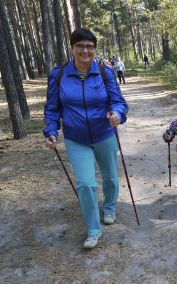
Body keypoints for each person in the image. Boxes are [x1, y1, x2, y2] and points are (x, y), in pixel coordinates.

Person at [43, 28, 129, 249]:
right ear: (72, 48)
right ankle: (93, 229)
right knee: (86, 184)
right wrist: (51, 131)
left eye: (90, 46)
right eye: (80, 45)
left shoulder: (104, 73)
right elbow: (52, 108)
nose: (85, 50)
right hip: (76, 138)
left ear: (94, 49)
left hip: (104, 133)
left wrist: (117, 114)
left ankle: (109, 207)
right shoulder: (59, 75)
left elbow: (118, 100)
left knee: (110, 177)